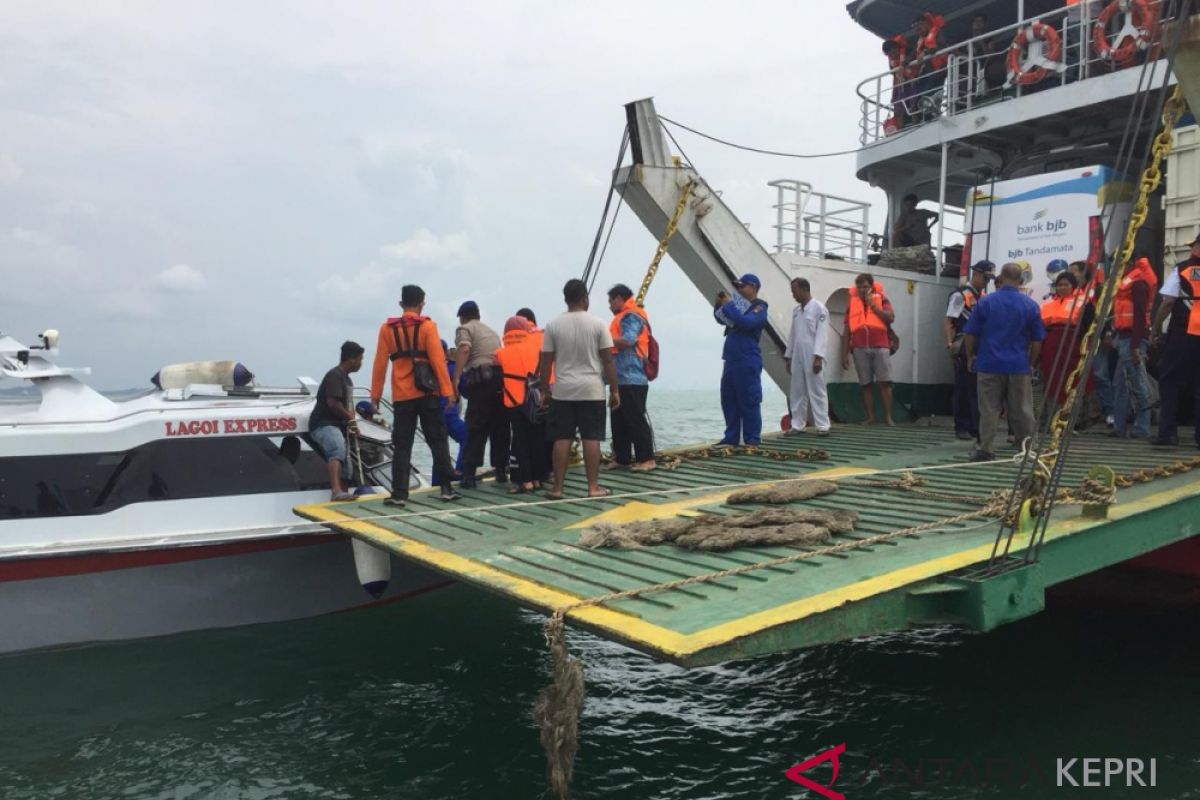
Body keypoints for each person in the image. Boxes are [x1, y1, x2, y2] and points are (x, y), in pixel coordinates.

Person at [369, 284, 461, 505]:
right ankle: (446, 489)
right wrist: (448, 392)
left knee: (402, 446)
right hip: (427, 392)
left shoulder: (387, 329)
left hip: (402, 396)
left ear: (401, 304)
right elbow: (438, 362)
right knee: (437, 440)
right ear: (422, 304)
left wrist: (375, 395)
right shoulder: (428, 326)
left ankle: (399, 495)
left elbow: (380, 364)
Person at [539, 278, 620, 500]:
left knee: (561, 438)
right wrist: (614, 390)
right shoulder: (598, 324)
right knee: (591, 438)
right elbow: (608, 361)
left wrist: (545, 390)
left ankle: (557, 488)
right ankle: (593, 487)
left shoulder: (553, 325)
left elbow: (546, 362)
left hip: (563, 390)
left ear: (565, 299)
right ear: (585, 298)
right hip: (591, 390)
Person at [964, 262, 1046, 461]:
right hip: (1018, 364)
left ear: (1000, 277)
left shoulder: (985, 302)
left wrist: (970, 356)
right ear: (1020, 281)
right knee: (1022, 409)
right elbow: (1037, 340)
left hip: (988, 363)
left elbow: (970, 333)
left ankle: (986, 449)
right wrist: (1031, 362)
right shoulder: (1030, 305)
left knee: (989, 409)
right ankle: (1027, 448)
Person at [1151, 234, 1200, 447]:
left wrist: (1154, 328)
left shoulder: (1183, 269)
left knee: (1170, 381)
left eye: (1193, 246)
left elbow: (1169, 302)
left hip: (1184, 332)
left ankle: (1168, 434)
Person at [454, 301, 509, 488]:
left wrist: (456, 377)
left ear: (463, 316)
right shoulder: (492, 332)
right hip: (499, 381)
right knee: (499, 427)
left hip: (480, 382)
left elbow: (464, 348)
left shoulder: (465, 329)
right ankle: (501, 470)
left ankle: (468, 475)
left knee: (476, 428)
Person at [713, 273, 770, 446]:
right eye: (737, 286)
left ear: (753, 288)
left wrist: (729, 305)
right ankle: (731, 437)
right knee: (729, 399)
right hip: (731, 359)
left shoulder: (759, 309)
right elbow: (720, 319)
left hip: (747, 359)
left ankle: (752, 439)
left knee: (748, 399)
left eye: (742, 286)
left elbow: (746, 323)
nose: (738, 289)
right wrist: (719, 304)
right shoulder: (737, 306)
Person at [495, 315, 549, 492]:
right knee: (537, 439)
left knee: (519, 441)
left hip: (514, 402)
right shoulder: (536, 348)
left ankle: (523, 481)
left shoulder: (500, 353)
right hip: (535, 400)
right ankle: (538, 479)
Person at [605, 284, 656, 471]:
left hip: (633, 377)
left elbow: (628, 340)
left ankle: (647, 458)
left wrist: (602, 339)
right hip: (618, 379)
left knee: (635, 419)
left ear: (619, 298)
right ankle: (622, 458)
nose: (609, 306)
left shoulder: (631, 316)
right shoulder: (622, 317)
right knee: (618, 421)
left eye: (611, 301)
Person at [308, 340, 364, 501]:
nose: (361, 363)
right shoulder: (334, 375)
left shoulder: (347, 380)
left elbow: (348, 405)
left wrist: (352, 423)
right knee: (336, 450)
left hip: (338, 425)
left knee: (346, 463)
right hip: (324, 424)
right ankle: (336, 491)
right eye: (360, 359)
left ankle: (344, 492)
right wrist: (349, 418)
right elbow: (333, 403)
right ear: (352, 359)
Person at [944, 260, 992, 440]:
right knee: (963, 387)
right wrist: (950, 346)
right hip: (964, 344)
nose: (987, 282)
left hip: (981, 344)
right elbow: (949, 321)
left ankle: (974, 425)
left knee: (977, 388)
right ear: (977, 274)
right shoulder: (960, 295)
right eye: (985, 278)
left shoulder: (984, 295)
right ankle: (962, 426)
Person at [1111, 256, 1158, 439]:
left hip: (1132, 339)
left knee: (1136, 383)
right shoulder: (1130, 283)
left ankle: (1142, 428)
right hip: (1125, 337)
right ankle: (1119, 427)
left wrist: (1135, 345)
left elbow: (1139, 316)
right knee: (1121, 384)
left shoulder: (1137, 284)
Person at [841, 273, 896, 426]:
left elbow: (890, 317)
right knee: (865, 384)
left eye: (865, 286)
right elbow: (847, 331)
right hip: (859, 347)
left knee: (885, 382)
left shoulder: (882, 299)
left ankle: (888, 417)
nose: (862, 289)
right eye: (859, 287)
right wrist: (844, 354)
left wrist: (873, 306)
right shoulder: (852, 303)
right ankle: (870, 417)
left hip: (880, 346)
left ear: (871, 286)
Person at [1039, 271, 1095, 409]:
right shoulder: (1048, 304)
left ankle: (1075, 417)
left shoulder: (1084, 302)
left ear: (1073, 286)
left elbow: (1089, 327)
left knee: (1075, 380)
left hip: (1073, 347)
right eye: (1059, 285)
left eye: (1066, 285)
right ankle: (1052, 416)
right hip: (1051, 349)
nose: (1062, 287)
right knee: (1052, 381)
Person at [784, 277, 830, 436]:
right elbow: (793, 335)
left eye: (794, 291)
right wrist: (788, 357)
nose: (793, 294)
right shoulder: (796, 312)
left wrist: (818, 357)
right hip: (797, 353)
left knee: (817, 389)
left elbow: (822, 334)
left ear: (804, 289)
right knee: (797, 390)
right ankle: (797, 424)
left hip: (812, 353)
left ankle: (823, 425)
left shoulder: (819, 308)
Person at [438, 339, 467, 484]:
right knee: (466, 437)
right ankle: (460, 471)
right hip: (448, 413)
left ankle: (438, 481)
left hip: (432, 413)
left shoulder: (430, 368)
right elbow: (466, 387)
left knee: (439, 447)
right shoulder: (452, 368)